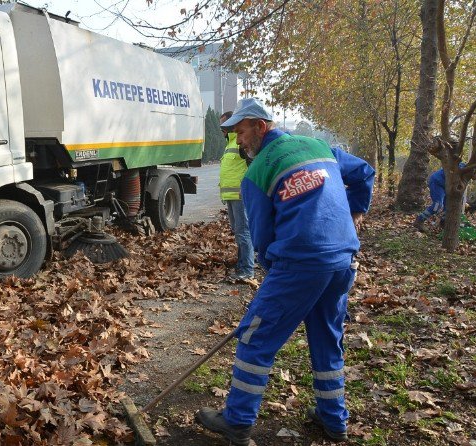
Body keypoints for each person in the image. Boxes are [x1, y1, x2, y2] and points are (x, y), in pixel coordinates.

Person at [195, 98, 375, 445]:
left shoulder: (257, 173)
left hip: (300, 264)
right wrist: (355, 214)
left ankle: (237, 420)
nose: (239, 141)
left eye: (242, 132)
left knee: (254, 338)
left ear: (261, 127)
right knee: (327, 337)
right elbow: (365, 172)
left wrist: (275, 276)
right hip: (343, 261)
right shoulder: (321, 147)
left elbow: (262, 240)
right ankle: (334, 419)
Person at [219, 111, 255, 284]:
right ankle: (242, 265)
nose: (221, 129)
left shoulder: (241, 143)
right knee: (238, 231)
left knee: (243, 232)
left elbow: (251, 166)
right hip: (231, 195)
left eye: (224, 125)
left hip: (240, 195)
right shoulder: (230, 143)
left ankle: (247, 270)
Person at [413, 164, 465, 232]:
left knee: (448, 205)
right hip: (437, 182)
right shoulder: (463, 167)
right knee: (437, 205)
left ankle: (443, 224)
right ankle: (420, 220)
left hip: (447, 186)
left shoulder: (468, 173)